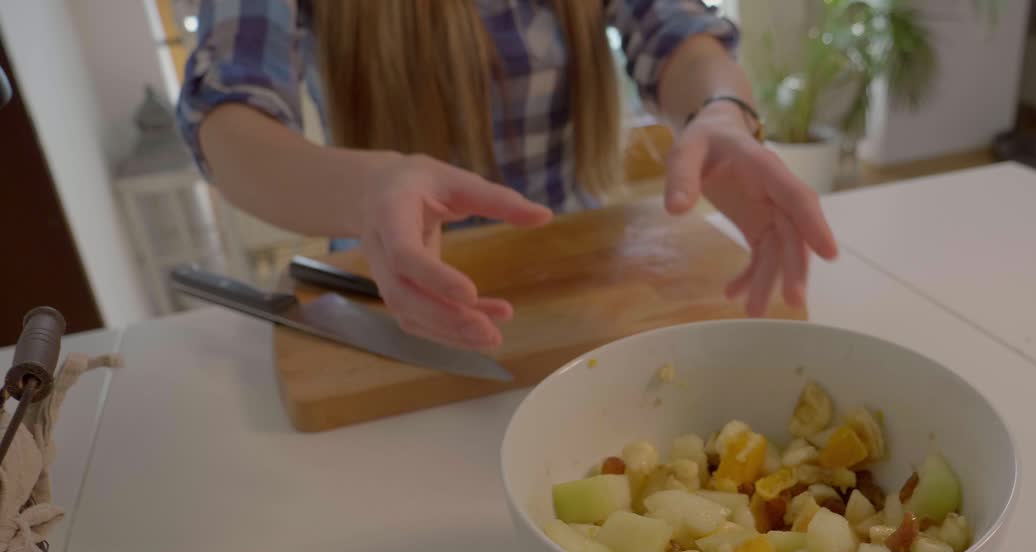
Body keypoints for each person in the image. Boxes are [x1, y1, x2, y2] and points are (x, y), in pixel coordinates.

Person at [178, 0, 838, 350]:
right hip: (396, 288)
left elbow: (679, 37)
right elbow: (231, 120)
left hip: (584, 282)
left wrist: (721, 110)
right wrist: (368, 189)